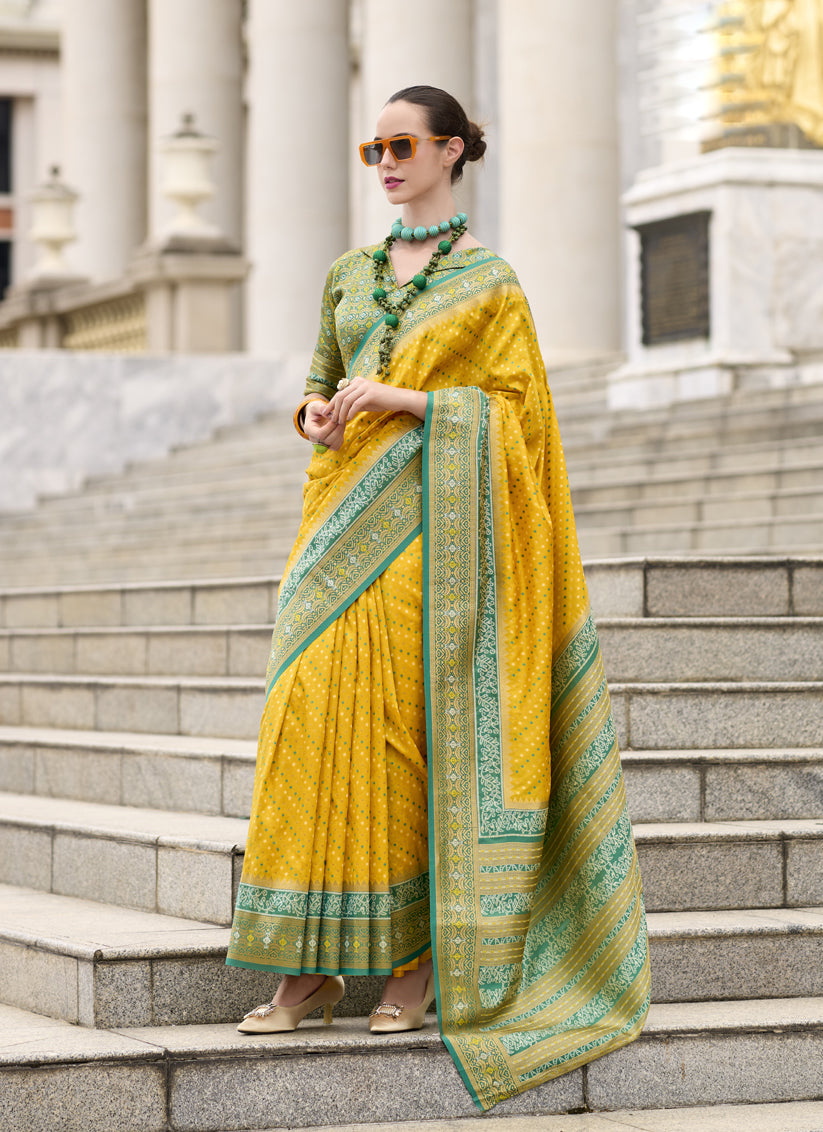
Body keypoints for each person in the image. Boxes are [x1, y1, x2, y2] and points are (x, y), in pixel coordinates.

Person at [226, 85, 650, 1113]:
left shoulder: (488, 282)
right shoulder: (345, 272)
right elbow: (320, 381)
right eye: (373, 144)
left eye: (403, 143)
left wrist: (413, 401)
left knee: (399, 739)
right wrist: (316, 414)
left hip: (433, 538)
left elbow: (522, 419)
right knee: (309, 724)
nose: (383, 159)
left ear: (453, 151)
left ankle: (412, 965)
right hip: (335, 527)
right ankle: (309, 965)